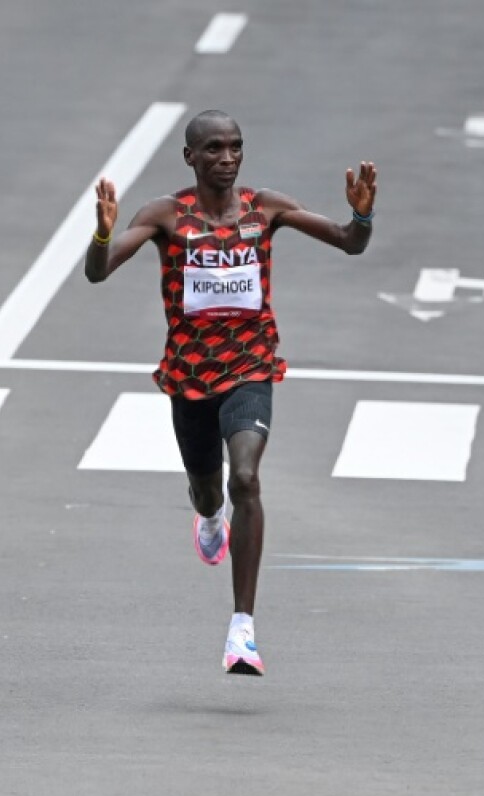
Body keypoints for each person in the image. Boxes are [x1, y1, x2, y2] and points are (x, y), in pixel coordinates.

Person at [83, 110, 377, 675]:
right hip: (189, 376)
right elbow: (99, 272)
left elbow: (349, 243)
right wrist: (103, 232)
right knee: (207, 487)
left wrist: (361, 212)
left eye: (235, 147)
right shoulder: (166, 215)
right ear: (190, 157)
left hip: (250, 365)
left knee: (246, 476)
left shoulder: (263, 209)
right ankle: (211, 517)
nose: (226, 158)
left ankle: (242, 629)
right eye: (213, 148)